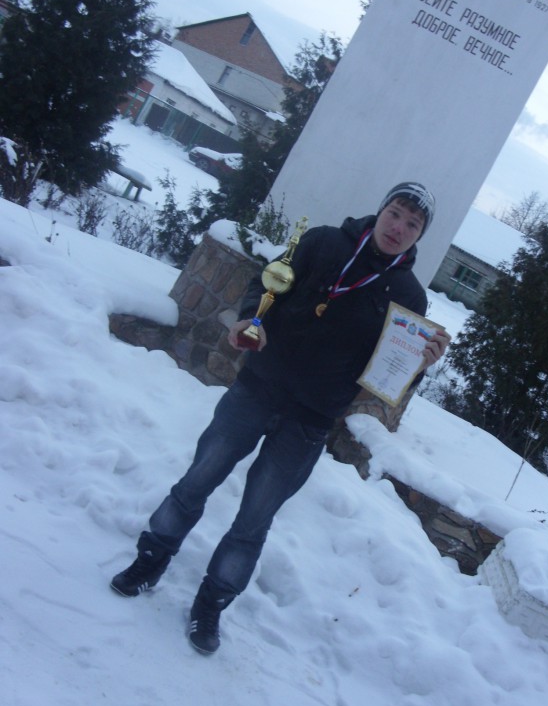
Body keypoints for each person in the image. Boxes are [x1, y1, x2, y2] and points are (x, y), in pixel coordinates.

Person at [110, 182, 450, 654]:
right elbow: (266, 284)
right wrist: (251, 318)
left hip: (309, 422)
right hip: (256, 389)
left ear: (420, 237)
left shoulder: (410, 297)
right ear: (380, 211)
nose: (400, 228)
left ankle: (211, 604)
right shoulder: (324, 242)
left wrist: (417, 366)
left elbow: (386, 376)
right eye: (396, 213)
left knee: (255, 520)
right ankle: (150, 560)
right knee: (197, 480)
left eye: (413, 224)